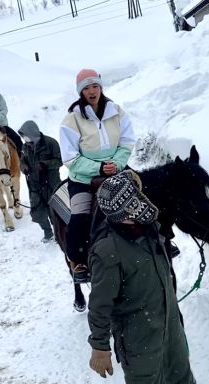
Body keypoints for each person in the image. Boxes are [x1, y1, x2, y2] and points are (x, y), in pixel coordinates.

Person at [88, 171, 198, 384]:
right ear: (124, 209)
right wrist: (99, 347)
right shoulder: (108, 251)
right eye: (136, 199)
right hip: (138, 335)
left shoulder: (150, 229)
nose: (143, 202)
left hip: (169, 323)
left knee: (179, 378)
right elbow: (99, 305)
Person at [59, 68, 135, 282]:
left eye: (95, 86)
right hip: (84, 179)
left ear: (100, 87)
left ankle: (163, 241)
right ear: (80, 92)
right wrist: (99, 168)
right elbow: (70, 158)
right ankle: (78, 261)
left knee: (147, 197)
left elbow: (127, 142)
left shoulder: (117, 112)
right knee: (79, 217)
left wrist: (117, 164)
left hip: (117, 169)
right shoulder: (71, 120)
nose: (92, 91)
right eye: (86, 88)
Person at [18, 120, 62, 243]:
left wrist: (45, 164)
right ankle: (47, 232)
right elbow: (22, 161)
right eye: (23, 137)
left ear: (33, 134)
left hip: (51, 184)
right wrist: (24, 168)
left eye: (26, 136)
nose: (24, 139)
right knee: (37, 212)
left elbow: (60, 161)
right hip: (34, 185)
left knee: (55, 212)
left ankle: (59, 234)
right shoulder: (25, 146)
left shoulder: (51, 143)